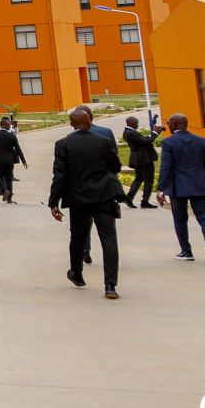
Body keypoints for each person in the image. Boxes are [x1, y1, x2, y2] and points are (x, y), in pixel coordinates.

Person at [49, 105, 124, 299]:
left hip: (78, 198)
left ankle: (77, 273)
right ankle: (110, 285)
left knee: (78, 238)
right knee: (109, 238)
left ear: (71, 124)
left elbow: (60, 176)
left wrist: (53, 202)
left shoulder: (63, 144)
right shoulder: (104, 142)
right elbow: (116, 166)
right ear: (89, 121)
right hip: (104, 196)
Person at [157, 114, 205, 265]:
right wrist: (204, 181)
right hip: (199, 185)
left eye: (169, 123)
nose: (168, 125)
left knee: (180, 219)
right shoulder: (201, 141)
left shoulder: (168, 142)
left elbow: (166, 167)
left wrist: (161, 188)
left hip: (177, 187)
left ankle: (186, 252)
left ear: (174, 124)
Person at [121, 116, 160, 208]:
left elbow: (142, 140)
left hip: (137, 159)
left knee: (139, 178)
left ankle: (129, 198)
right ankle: (145, 201)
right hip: (144, 159)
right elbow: (147, 142)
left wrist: (151, 134)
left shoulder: (127, 132)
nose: (137, 125)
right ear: (132, 123)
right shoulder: (132, 133)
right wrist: (155, 133)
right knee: (149, 180)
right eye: (136, 123)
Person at [0, 119, 28, 204]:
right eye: (8, 125)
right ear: (3, 125)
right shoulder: (11, 136)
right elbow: (18, 149)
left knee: (0, 176)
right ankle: (9, 199)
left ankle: (5, 190)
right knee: (9, 178)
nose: (10, 126)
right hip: (10, 160)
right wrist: (23, 160)